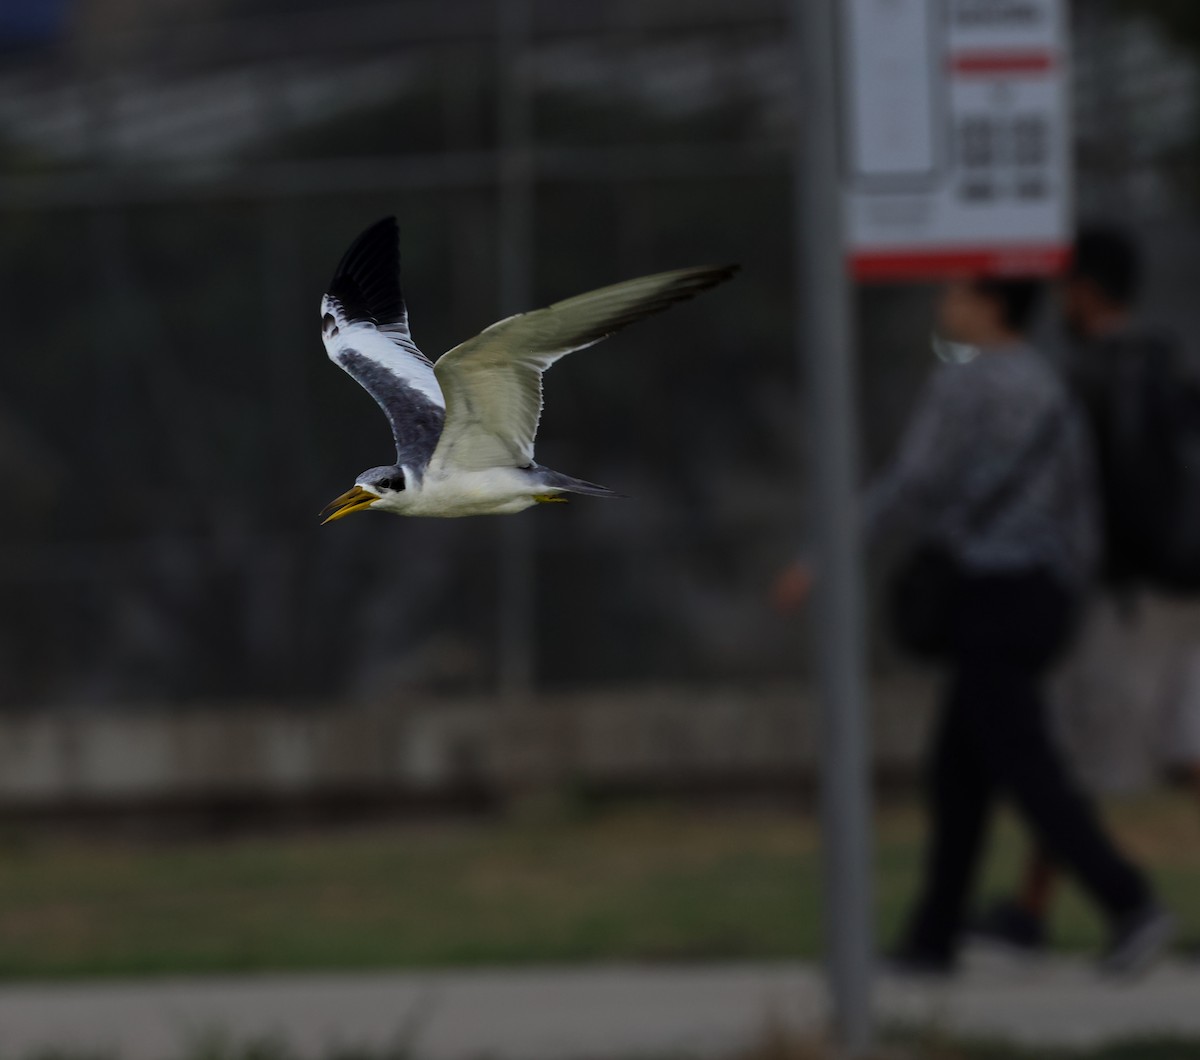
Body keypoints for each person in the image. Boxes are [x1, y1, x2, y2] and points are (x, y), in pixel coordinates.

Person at [774, 275, 1173, 975]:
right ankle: (933, 938)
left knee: (1025, 764)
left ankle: (1129, 901)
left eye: (956, 294)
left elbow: (912, 480)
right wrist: (1066, 597)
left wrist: (824, 555)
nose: (943, 305)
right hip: (1041, 594)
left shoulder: (967, 384)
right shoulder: (1048, 385)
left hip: (990, 594)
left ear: (990, 306)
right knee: (958, 771)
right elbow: (1082, 506)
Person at [970, 227, 1200, 955]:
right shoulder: (1172, 364)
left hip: (1128, 594)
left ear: (1087, 290)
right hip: (1187, 585)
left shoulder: (1093, 378)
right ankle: (1033, 910)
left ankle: (1049, 914)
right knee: (1184, 748)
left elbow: (1103, 496)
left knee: (1070, 754)